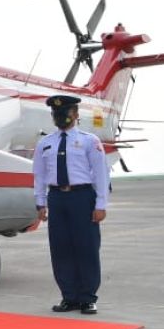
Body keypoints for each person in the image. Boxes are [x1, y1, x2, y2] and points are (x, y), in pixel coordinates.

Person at [32, 95, 110, 314]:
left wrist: (101, 205)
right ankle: (69, 296)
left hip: (82, 197)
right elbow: (39, 175)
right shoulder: (45, 143)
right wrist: (40, 202)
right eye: (57, 114)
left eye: (65, 112)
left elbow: (101, 174)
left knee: (86, 247)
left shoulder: (89, 140)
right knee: (61, 248)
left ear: (75, 114)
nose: (61, 117)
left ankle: (87, 298)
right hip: (57, 198)